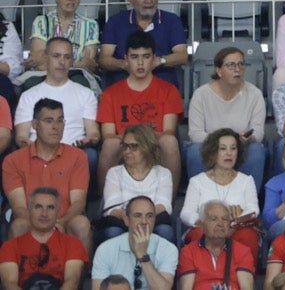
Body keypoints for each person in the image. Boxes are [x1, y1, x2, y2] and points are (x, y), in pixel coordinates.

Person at [3, 99, 93, 254]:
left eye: (60, 120)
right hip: (30, 220)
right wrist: (43, 227)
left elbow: (78, 202)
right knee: (19, 225)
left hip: (65, 219)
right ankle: (17, 270)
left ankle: (80, 270)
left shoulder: (78, 157)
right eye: (49, 121)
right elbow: (19, 207)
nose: (56, 127)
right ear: (35, 124)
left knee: (81, 224)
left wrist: (61, 222)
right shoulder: (13, 160)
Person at [96, 34, 182, 190]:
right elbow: (108, 135)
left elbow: (168, 131)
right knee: (110, 144)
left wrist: (140, 139)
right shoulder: (110, 94)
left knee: (169, 142)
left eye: (146, 57)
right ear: (126, 59)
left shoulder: (169, 90)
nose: (140, 63)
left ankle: (168, 201)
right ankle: (108, 201)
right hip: (124, 146)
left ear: (154, 59)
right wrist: (135, 140)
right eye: (134, 57)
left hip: (154, 145)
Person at [185, 47, 267, 184]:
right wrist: (222, 144)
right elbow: (195, 133)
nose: (237, 69)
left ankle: (251, 196)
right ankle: (200, 195)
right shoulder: (201, 94)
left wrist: (249, 138)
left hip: (241, 147)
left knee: (256, 150)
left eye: (241, 64)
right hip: (211, 146)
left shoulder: (255, 94)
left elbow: (258, 132)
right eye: (231, 65)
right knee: (194, 151)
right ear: (218, 70)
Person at [179, 130, 260, 258]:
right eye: (223, 148)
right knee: (199, 233)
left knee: (248, 235)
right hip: (206, 228)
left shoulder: (247, 180)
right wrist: (206, 223)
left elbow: (253, 210)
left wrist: (234, 223)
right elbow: (186, 213)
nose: (229, 153)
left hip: (236, 229)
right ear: (212, 152)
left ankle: (244, 271)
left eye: (233, 148)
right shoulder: (197, 181)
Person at [15, 40, 100, 154]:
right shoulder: (28, 96)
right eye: (56, 56)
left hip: (74, 153)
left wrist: (88, 140)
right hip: (39, 154)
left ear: (72, 61)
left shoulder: (86, 94)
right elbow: (21, 136)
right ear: (46, 58)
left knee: (90, 155)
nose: (62, 62)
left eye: (67, 57)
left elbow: (93, 133)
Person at [99, 124, 175, 245]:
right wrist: (135, 219)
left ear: (147, 147)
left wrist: (140, 218)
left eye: (133, 147)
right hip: (123, 223)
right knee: (113, 232)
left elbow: (164, 206)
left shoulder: (163, 173)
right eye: (125, 146)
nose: (127, 151)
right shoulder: (114, 173)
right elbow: (112, 208)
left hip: (152, 223)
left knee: (165, 231)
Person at [0, 190, 87, 288]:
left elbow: (72, 281)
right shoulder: (10, 246)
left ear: (58, 213)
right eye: (38, 207)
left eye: (50, 208)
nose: (44, 214)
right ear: (29, 211)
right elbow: (9, 283)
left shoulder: (73, 244)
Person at [91, 196, 178, 290]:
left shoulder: (168, 249)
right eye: (137, 216)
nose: (144, 221)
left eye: (149, 216)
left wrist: (143, 256)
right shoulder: (105, 249)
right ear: (126, 220)